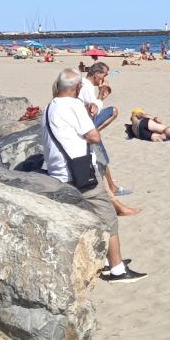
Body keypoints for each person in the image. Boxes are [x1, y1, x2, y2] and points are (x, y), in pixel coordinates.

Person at [42, 69, 146, 283]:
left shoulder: (49, 106)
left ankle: (108, 259)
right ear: (78, 88)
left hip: (58, 171)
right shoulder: (73, 106)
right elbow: (93, 136)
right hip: (79, 171)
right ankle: (117, 269)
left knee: (94, 214)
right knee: (107, 215)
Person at [78, 62, 136, 209]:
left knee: (101, 153)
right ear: (97, 74)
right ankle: (112, 190)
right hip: (85, 126)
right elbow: (93, 111)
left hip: (86, 124)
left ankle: (113, 186)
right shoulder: (87, 87)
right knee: (100, 156)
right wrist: (101, 96)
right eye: (104, 74)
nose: (104, 78)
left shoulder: (84, 84)